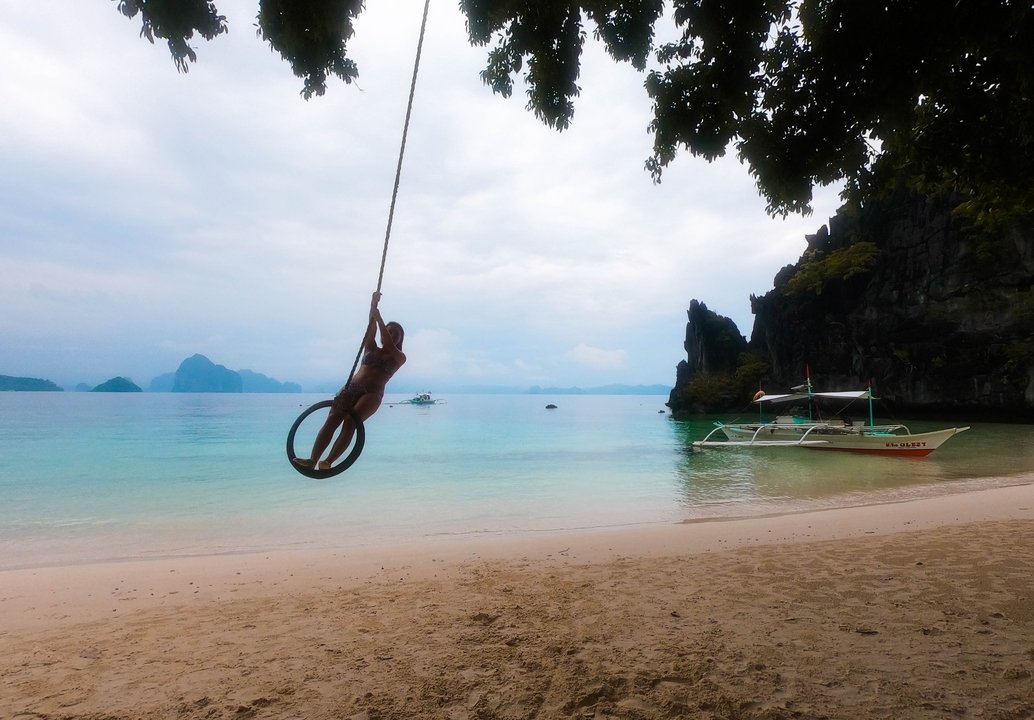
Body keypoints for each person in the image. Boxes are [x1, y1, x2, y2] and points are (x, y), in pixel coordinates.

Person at [293, 292, 406, 471]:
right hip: (352, 387)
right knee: (332, 420)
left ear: (401, 339)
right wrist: (373, 305)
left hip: (372, 393)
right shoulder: (370, 348)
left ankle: (328, 461)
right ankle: (313, 460)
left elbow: (388, 343)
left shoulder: (399, 357)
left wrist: (380, 319)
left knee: (350, 422)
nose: (391, 335)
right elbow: (371, 328)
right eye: (389, 331)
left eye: (395, 334)